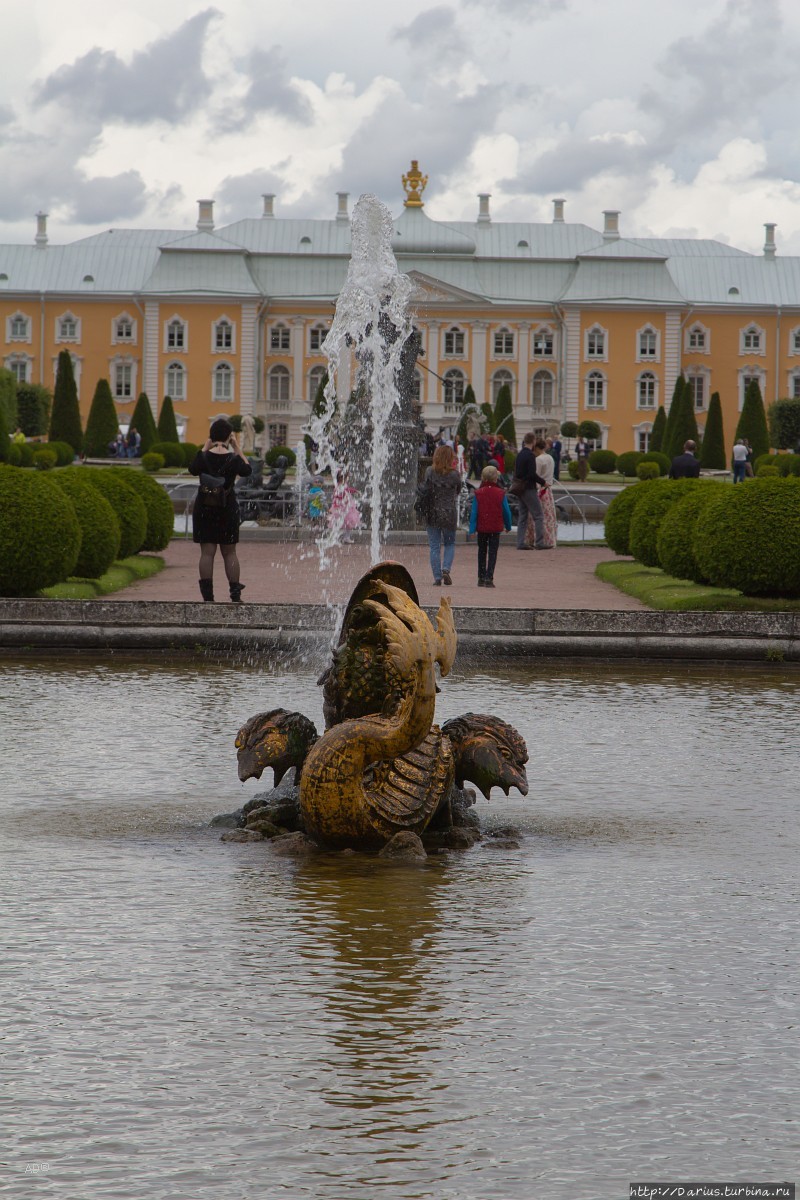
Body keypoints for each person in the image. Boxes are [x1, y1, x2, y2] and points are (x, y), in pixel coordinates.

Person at [189, 417, 252, 602]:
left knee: (207, 553)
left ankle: (208, 596)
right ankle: (235, 593)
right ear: (229, 437)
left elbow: (193, 468)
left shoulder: (204, 456)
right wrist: (237, 447)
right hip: (227, 507)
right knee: (230, 552)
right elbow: (247, 470)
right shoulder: (232, 459)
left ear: (211, 436)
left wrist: (205, 447)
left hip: (204, 507)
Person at [468, 464, 512, 588]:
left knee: (481, 551)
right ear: (496, 478)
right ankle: (489, 578)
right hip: (495, 528)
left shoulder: (478, 493)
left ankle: (480, 577)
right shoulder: (500, 493)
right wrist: (508, 526)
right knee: (493, 553)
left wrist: (472, 529)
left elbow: (474, 512)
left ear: (483, 478)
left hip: (482, 527)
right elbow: (506, 512)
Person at [423, 443, 461, 585]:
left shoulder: (429, 471)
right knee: (450, 544)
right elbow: (458, 491)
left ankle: (437, 578)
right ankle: (446, 568)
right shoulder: (454, 474)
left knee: (434, 546)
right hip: (449, 513)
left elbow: (425, 489)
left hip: (432, 512)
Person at [513, 432, 547, 550]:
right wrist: (543, 482)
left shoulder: (520, 454)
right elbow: (532, 474)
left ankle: (520, 542)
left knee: (522, 516)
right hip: (528, 488)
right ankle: (539, 542)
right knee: (538, 516)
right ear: (533, 442)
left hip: (519, 488)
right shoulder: (531, 456)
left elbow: (517, 472)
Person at [527, 437, 557, 548]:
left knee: (537, 517)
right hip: (548, 491)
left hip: (540, 491)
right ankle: (550, 540)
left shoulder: (538, 460)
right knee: (548, 517)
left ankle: (535, 539)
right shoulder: (550, 458)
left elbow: (536, 476)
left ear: (536, 448)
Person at [328, 471, 361, 542]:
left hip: (346, 507)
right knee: (339, 523)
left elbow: (348, 490)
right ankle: (336, 537)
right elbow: (337, 496)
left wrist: (355, 491)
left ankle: (346, 537)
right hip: (341, 508)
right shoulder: (338, 487)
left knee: (348, 523)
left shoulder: (343, 486)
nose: (346, 480)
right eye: (345, 478)